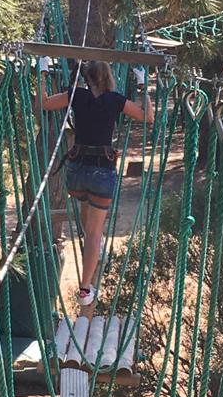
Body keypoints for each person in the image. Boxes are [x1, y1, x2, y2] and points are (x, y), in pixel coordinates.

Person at [36, 58, 154, 306]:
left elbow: (43, 104)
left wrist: (43, 72)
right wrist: (143, 84)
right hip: (102, 170)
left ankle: (92, 251)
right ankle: (85, 288)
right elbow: (148, 117)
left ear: (87, 78)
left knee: (86, 217)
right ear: (108, 77)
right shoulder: (115, 100)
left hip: (77, 171)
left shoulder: (76, 95)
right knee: (93, 233)